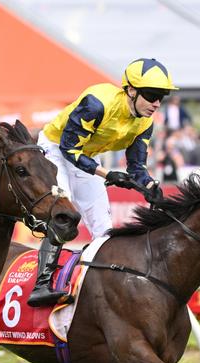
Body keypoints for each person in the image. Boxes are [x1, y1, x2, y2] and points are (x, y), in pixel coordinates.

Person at [28, 58, 177, 307]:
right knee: (62, 215)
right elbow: (68, 148)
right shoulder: (96, 103)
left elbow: (136, 167)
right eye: (152, 95)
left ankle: (102, 289)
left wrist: (149, 186)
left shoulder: (145, 122)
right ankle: (41, 285)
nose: (156, 104)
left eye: (162, 97)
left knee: (104, 229)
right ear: (131, 90)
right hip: (54, 149)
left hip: (85, 156)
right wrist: (106, 174)